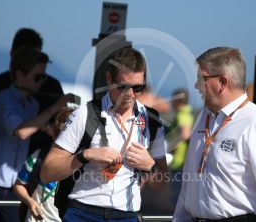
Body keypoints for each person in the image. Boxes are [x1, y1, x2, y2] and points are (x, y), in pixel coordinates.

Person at [40, 47, 168, 222]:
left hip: (127, 215)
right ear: (109, 79)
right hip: (83, 213)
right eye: (123, 87)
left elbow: (162, 184)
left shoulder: (152, 121)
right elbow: (47, 173)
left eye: (138, 88)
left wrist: (151, 166)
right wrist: (84, 156)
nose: (130, 95)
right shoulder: (84, 114)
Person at [173, 47, 256, 222]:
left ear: (222, 82)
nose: (196, 85)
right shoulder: (203, 117)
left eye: (201, 78)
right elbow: (189, 184)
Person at [0, 48, 73, 222]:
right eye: (37, 77)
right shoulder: (4, 100)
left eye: (44, 77)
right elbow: (21, 132)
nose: (42, 82)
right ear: (19, 75)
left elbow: (37, 128)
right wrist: (55, 107)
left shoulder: (32, 104)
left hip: (13, 184)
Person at [0, 27, 64, 155]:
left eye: (34, 58)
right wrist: (4, 127)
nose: (40, 81)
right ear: (12, 55)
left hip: (37, 164)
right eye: (24, 58)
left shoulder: (51, 87)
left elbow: (62, 127)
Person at [13, 107, 74, 222]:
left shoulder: (86, 164)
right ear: (53, 136)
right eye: (60, 136)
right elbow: (18, 185)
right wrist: (30, 201)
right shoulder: (39, 157)